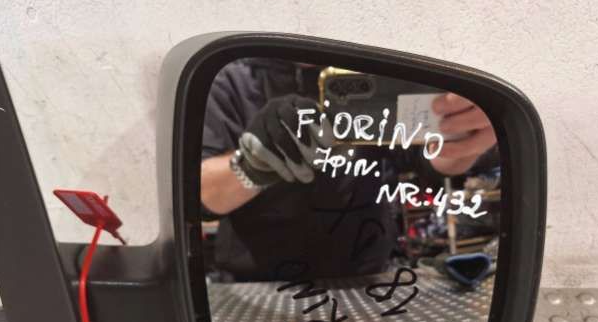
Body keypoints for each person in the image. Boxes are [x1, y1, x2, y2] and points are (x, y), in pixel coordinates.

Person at [200, 59, 496, 282]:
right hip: (255, 282)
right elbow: (202, 194)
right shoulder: (230, 78)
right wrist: (251, 165)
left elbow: (426, 158)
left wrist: (462, 137)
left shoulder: (370, 69)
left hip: (365, 279)